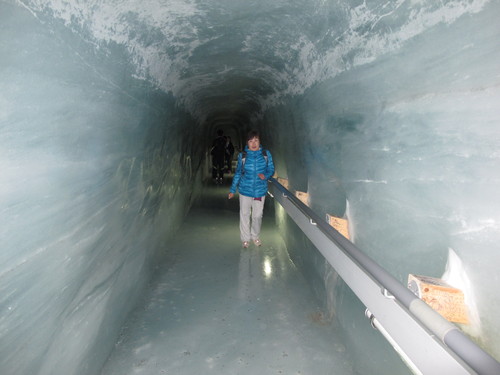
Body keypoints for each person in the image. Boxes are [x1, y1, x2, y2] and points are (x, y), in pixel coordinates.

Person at [228, 130, 274, 248]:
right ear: (247, 143)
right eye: (251, 141)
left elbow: (271, 169)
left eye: (256, 140)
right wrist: (233, 189)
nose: (254, 143)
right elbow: (238, 173)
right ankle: (245, 239)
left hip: (260, 190)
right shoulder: (242, 156)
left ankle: (255, 236)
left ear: (260, 141)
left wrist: (266, 176)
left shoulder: (265, 154)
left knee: (257, 215)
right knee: (244, 214)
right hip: (245, 190)